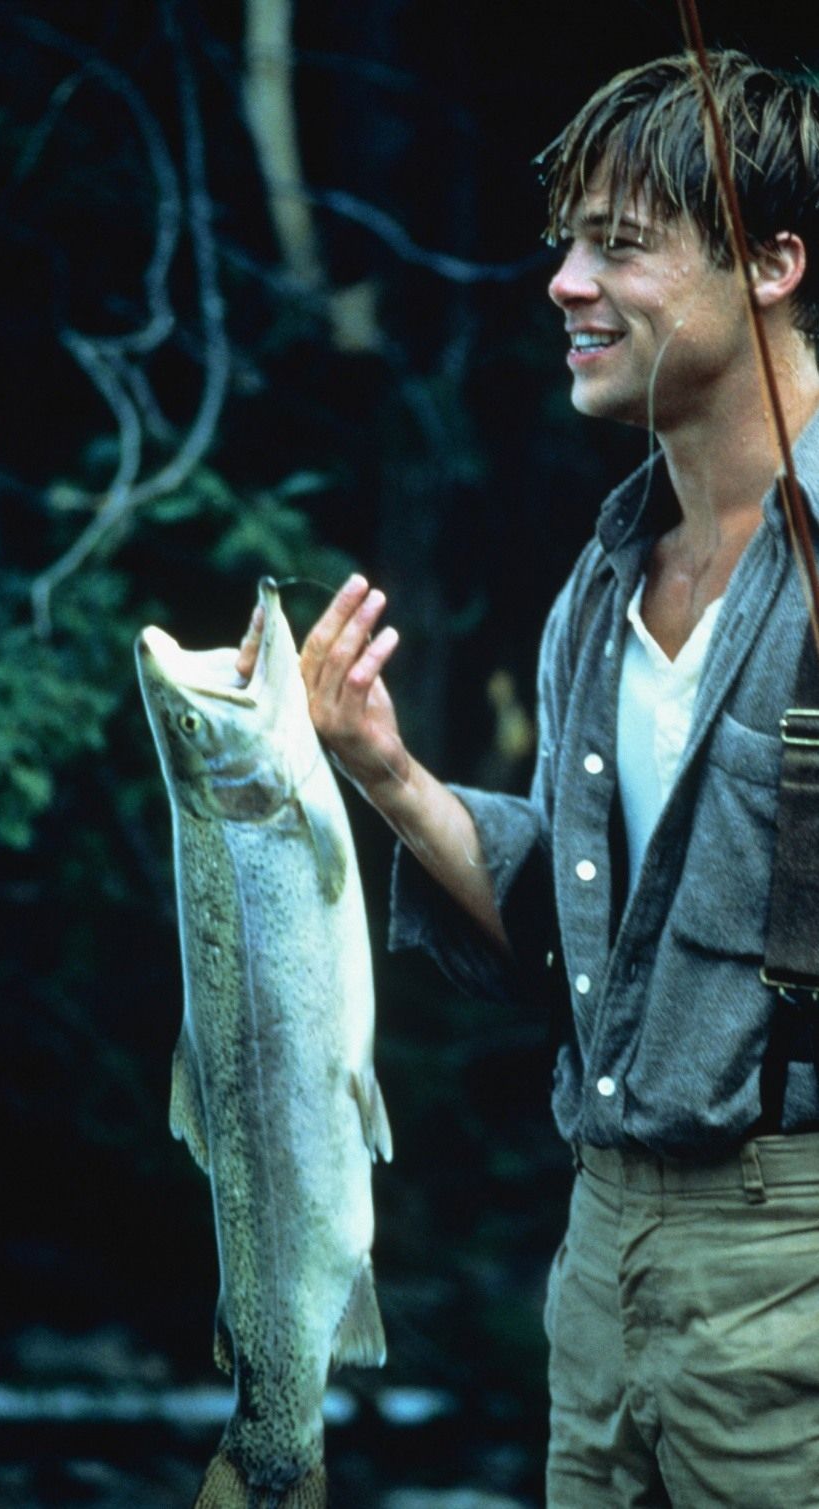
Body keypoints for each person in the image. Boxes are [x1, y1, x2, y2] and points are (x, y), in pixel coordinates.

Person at [238, 50, 819, 1508]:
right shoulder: (600, 588)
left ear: (772, 265)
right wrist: (384, 770)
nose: (565, 283)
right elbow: (575, 945)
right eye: (567, 244)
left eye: (619, 246)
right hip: (599, 1266)